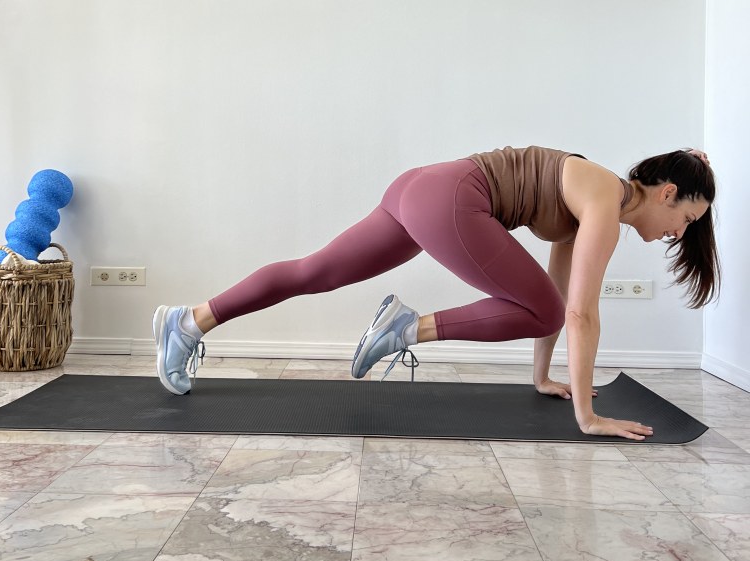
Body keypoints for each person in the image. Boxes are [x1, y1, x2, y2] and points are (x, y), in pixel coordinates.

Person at [152, 146, 719, 441]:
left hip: (419, 188)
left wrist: (543, 378)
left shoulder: (593, 200)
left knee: (312, 271)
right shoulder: (602, 198)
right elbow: (578, 313)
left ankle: (189, 323)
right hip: (449, 197)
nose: (678, 234)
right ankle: (404, 327)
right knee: (544, 306)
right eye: (686, 218)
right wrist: (588, 416)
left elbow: (552, 294)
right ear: (667, 192)